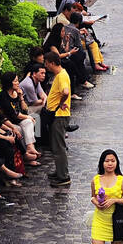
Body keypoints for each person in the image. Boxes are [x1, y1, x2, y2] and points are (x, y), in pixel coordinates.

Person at [0, 69, 41, 164]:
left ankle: (30, 147)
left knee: (29, 122)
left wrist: (21, 96)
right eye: (15, 81)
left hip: (19, 119)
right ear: (9, 82)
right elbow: (13, 114)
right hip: (9, 122)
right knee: (20, 128)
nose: (18, 83)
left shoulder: (16, 93)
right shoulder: (3, 96)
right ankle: (25, 155)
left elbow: (24, 109)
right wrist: (28, 117)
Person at [43, 51, 73, 188]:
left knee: (59, 147)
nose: (45, 66)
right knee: (56, 146)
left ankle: (63, 177)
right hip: (57, 115)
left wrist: (59, 104)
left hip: (59, 116)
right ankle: (59, 171)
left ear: (52, 63)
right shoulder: (61, 75)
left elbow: (65, 92)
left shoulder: (61, 76)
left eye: (47, 63)